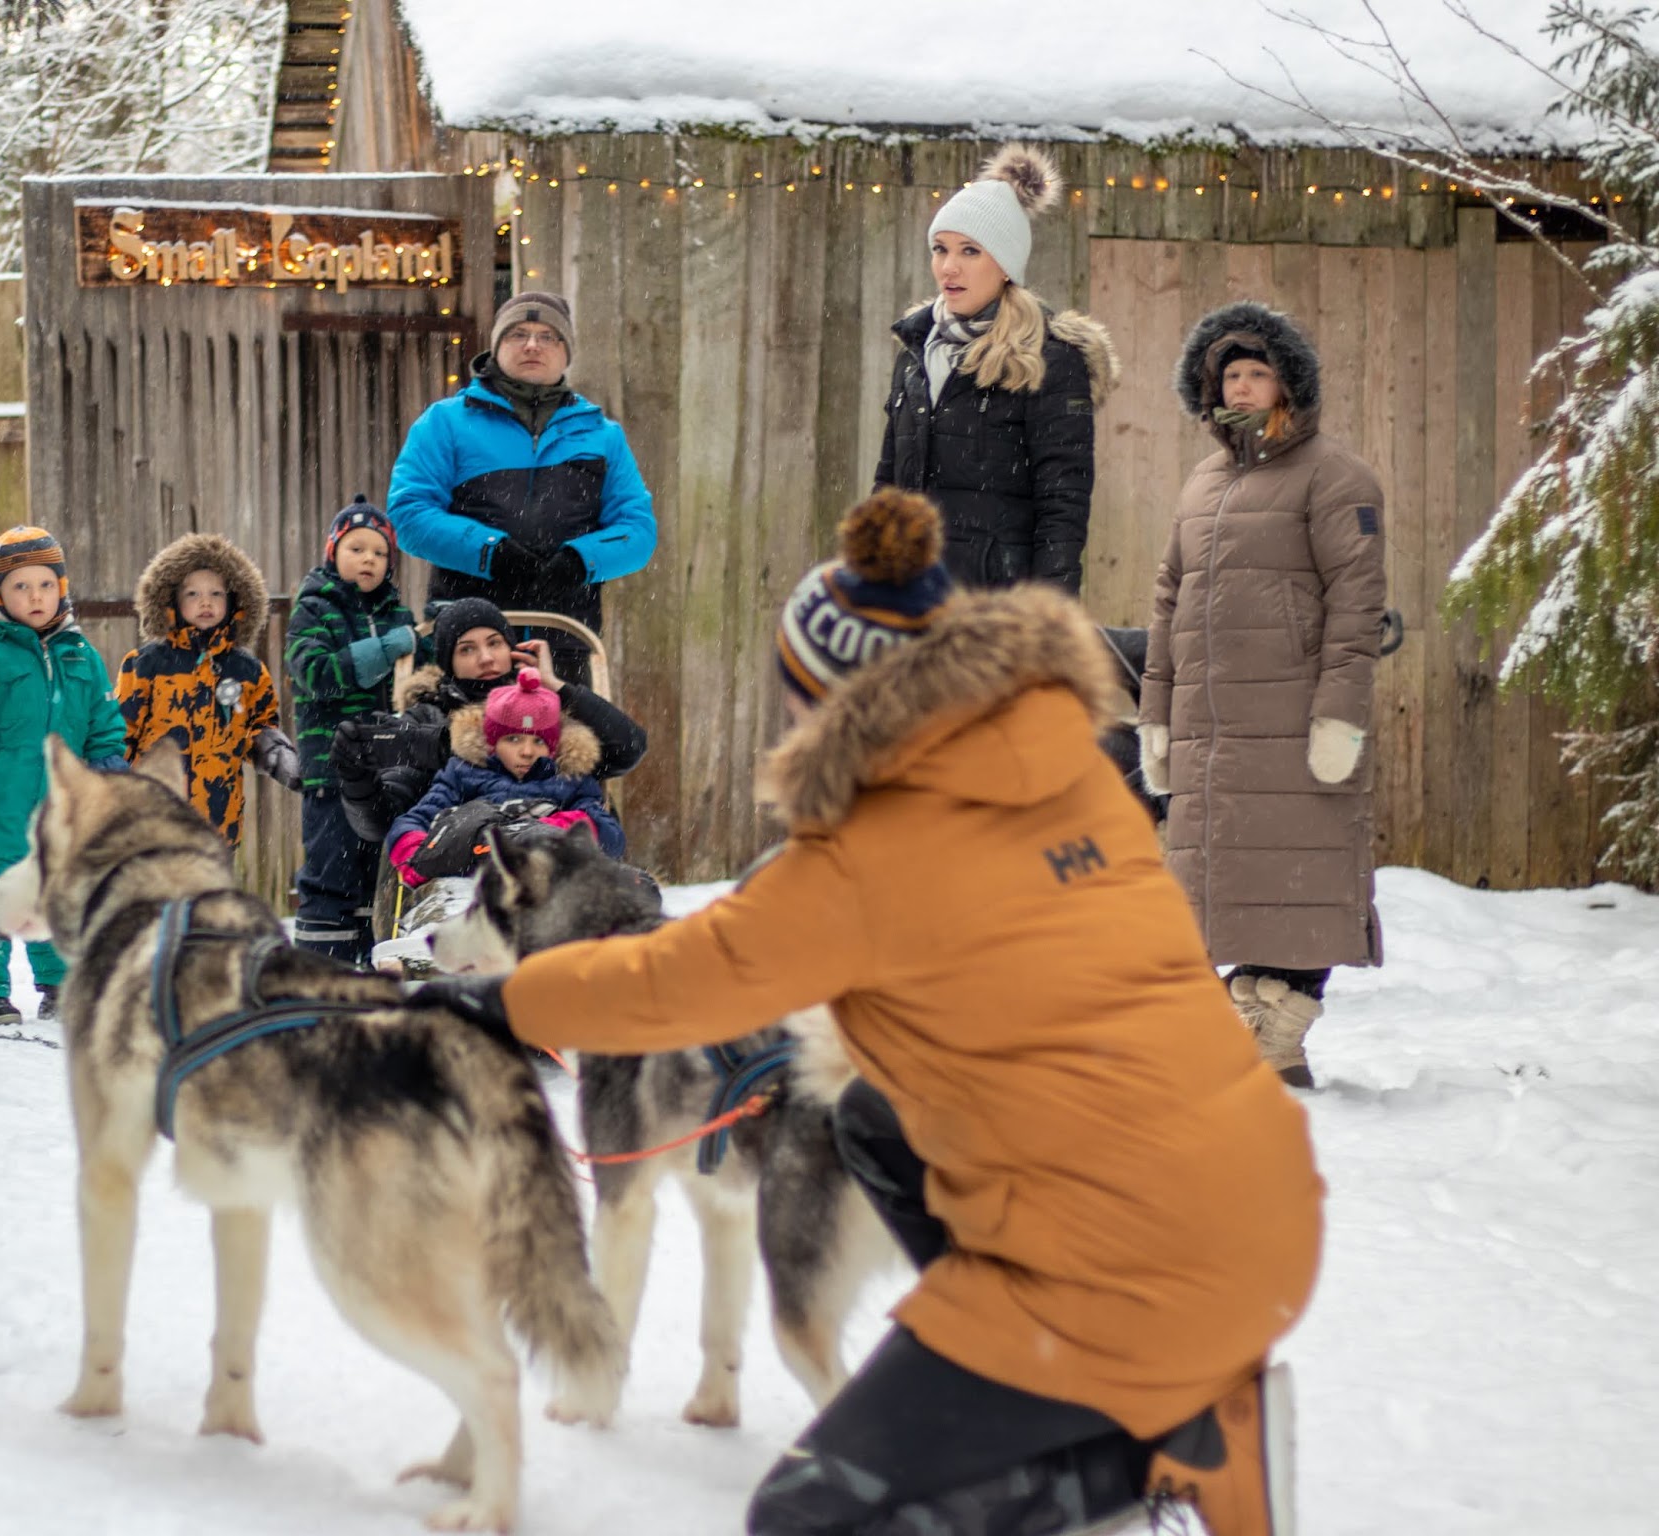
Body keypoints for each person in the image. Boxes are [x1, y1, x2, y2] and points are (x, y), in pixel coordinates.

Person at [419, 489, 1323, 1536]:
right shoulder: (1077, 777)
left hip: (1114, 1270)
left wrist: (507, 999)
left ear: (829, 702)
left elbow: (676, 981)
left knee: (810, 1519)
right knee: (871, 1120)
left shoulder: (865, 856)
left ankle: (1164, 1447)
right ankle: (1095, 1406)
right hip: (1263, 1203)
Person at [1140, 301, 1388, 1090]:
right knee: (1232, 877)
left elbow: (1358, 602)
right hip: (1213, 728)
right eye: (1231, 375)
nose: (1242, 387)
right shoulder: (1204, 481)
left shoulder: (1334, 475)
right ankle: (1243, 1023)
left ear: (1289, 385)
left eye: (1258, 373)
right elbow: (1168, 598)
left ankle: (1278, 1026)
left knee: (1299, 870)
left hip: (1290, 717)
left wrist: (1338, 716)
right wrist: (1155, 716)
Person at [872, 144, 1117, 595]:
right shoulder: (915, 351)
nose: (949, 267)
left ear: (1005, 265)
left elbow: (1062, 504)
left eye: (969, 251)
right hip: (910, 599)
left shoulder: (1048, 358)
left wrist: (1050, 615)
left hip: (996, 606)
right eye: (940, 249)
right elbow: (888, 486)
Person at [387, 291, 656, 684]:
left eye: (549, 336)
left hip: (564, 638)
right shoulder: (445, 423)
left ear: (566, 353)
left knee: (565, 745)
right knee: (461, 745)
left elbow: (638, 530)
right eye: (517, 333)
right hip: (467, 641)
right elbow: (410, 514)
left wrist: (580, 560)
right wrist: (489, 553)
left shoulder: (602, 436)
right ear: (496, 347)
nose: (532, 344)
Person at [0, 526, 131, 1028]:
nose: (35, 596)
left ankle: (62, 987)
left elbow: (105, 737)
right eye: (20, 586)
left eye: (45, 584)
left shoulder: (83, 659)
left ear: (61, 588)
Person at [332, 594, 647, 847]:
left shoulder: (544, 708)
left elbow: (629, 747)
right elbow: (381, 824)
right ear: (448, 662)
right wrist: (358, 780)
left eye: (495, 643)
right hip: (462, 862)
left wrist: (557, 688)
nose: (485, 657)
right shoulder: (427, 716)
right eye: (467, 649)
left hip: (560, 852)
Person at [284, 496, 428, 962]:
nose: (368, 559)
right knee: (332, 873)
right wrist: (386, 648)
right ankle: (322, 967)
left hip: (386, 777)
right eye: (356, 548)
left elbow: (414, 686)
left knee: (379, 874)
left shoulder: (398, 616)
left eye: (379, 553)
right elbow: (317, 675)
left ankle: (374, 961)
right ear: (333, 552)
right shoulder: (314, 610)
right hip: (330, 775)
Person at [111, 531, 295, 845]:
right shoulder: (144, 666)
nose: (205, 602)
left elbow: (259, 727)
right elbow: (120, 734)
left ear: (235, 600)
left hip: (219, 825)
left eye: (217, 594)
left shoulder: (247, 671)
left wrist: (280, 757)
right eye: (192, 594)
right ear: (171, 601)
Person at [384, 669, 625, 887]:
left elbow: (610, 835)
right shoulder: (463, 773)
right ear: (492, 742)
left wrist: (557, 829)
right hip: (469, 881)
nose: (527, 751)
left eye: (538, 741)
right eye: (514, 739)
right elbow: (416, 818)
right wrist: (416, 855)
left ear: (553, 747)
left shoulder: (570, 780)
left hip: (549, 881)